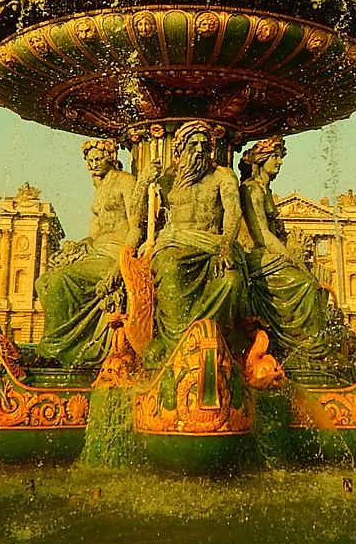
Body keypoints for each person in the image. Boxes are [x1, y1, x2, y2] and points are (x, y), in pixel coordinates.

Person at [136, 121, 246, 365]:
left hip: (212, 245)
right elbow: (138, 219)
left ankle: (219, 345)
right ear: (180, 148)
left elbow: (233, 211)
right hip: (175, 244)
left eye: (204, 145)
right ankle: (175, 346)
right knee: (169, 268)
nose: (199, 150)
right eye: (193, 144)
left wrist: (227, 245)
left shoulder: (222, 176)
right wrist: (143, 182)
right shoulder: (166, 180)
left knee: (231, 280)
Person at [34, 139, 139, 367]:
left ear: (111, 158)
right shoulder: (100, 189)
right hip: (97, 249)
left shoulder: (125, 181)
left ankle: (55, 349)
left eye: (98, 159)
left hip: (114, 251)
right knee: (43, 282)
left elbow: (137, 226)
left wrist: (121, 263)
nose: (94, 164)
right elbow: (95, 233)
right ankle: (71, 344)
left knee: (62, 280)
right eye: (90, 160)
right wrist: (75, 246)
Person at [238, 137, 337, 369]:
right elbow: (261, 233)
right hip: (257, 256)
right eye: (275, 156)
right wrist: (291, 258)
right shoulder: (251, 189)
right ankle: (302, 351)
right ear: (261, 160)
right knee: (304, 285)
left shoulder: (265, 189)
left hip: (269, 254)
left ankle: (307, 350)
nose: (280, 162)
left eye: (281, 156)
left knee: (319, 278)